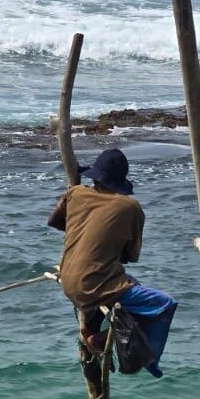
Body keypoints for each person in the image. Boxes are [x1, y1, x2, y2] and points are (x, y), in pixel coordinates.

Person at [48, 147, 177, 377]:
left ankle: (91, 330)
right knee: (164, 304)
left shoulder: (75, 192)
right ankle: (146, 361)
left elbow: (57, 222)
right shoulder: (130, 207)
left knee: (120, 283)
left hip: (68, 279)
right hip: (94, 286)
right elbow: (130, 255)